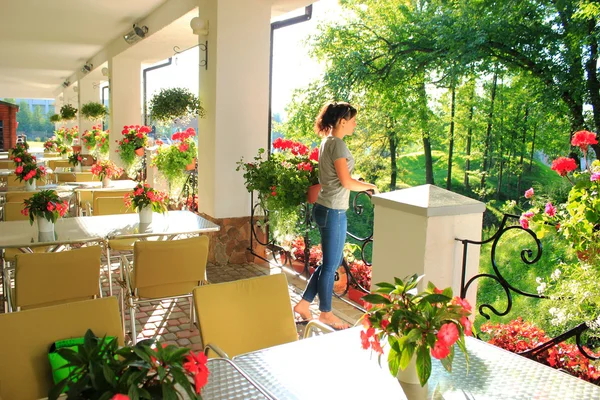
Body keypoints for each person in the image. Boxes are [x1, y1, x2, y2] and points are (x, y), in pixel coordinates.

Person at [293, 101, 378, 330]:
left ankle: (303, 304)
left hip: (324, 207)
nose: (355, 124)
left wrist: (357, 182)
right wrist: (371, 186)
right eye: (353, 120)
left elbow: (336, 177)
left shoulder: (326, 142)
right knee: (331, 265)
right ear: (342, 121)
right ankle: (326, 314)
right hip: (333, 211)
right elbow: (346, 181)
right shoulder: (338, 145)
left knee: (329, 262)